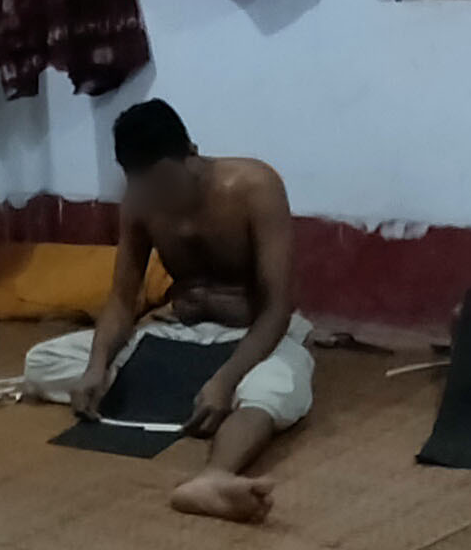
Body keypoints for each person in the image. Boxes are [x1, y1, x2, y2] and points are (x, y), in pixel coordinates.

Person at [23, 99, 314, 525]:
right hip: (177, 335)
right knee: (40, 363)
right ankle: (192, 393)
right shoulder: (140, 204)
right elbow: (123, 300)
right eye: (149, 186)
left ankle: (214, 476)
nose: (162, 196)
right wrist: (96, 366)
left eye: (168, 182)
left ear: (192, 152)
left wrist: (225, 379)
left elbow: (277, 308)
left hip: (253, 337)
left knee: (272, 391)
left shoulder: (255, 186)